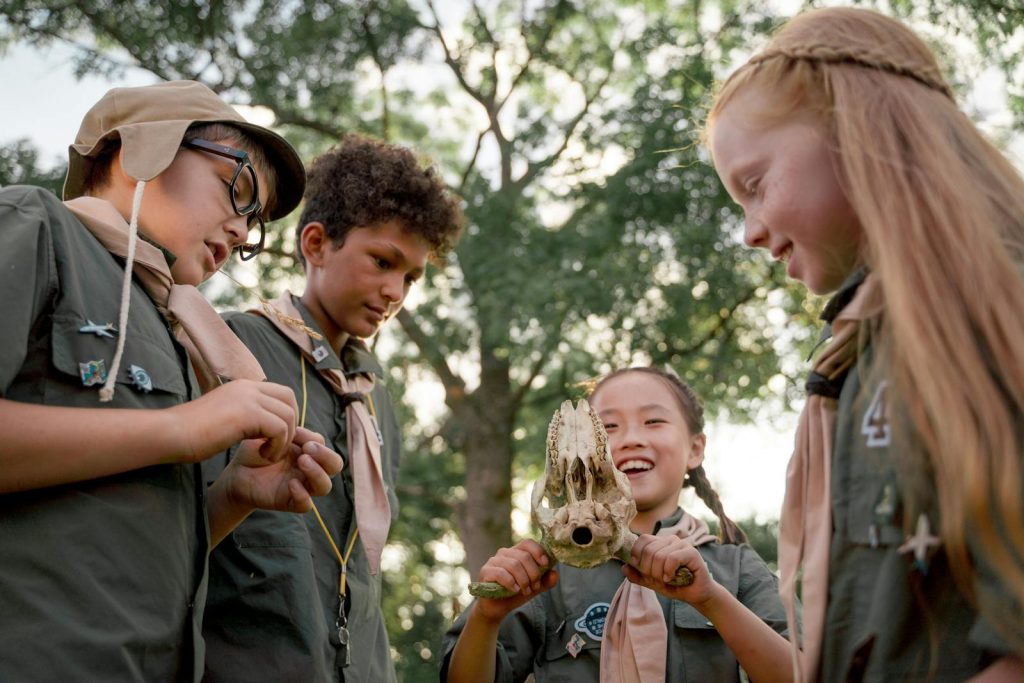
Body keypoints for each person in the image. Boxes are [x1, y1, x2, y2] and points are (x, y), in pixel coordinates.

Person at [705, 6, 1024, 680]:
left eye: (755, 186)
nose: (750, 232)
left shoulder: (995, 306)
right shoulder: (858, 354)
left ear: (853, 126)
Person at [0, 80, 344, 681]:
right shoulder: (34, 226)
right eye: (238, 189)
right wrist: (182, 428)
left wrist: (234, 494)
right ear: (147, 151)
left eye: (255, 221)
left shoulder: (180, 339)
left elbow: (121, 540)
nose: (241, 232)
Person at [201, 133, 464, 682]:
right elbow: (183, 525)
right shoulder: (229, 346)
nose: (395, 291)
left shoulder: (375, 396)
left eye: (411, 277)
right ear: (316, 244)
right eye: (382, 261)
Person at [441, 366, 791, 682]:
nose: (630, 438)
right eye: (607, 427)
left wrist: (712, 599)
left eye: (653, 421)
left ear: (696, 448)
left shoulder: (738, 568)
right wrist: (486, 617)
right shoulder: (542, 575)